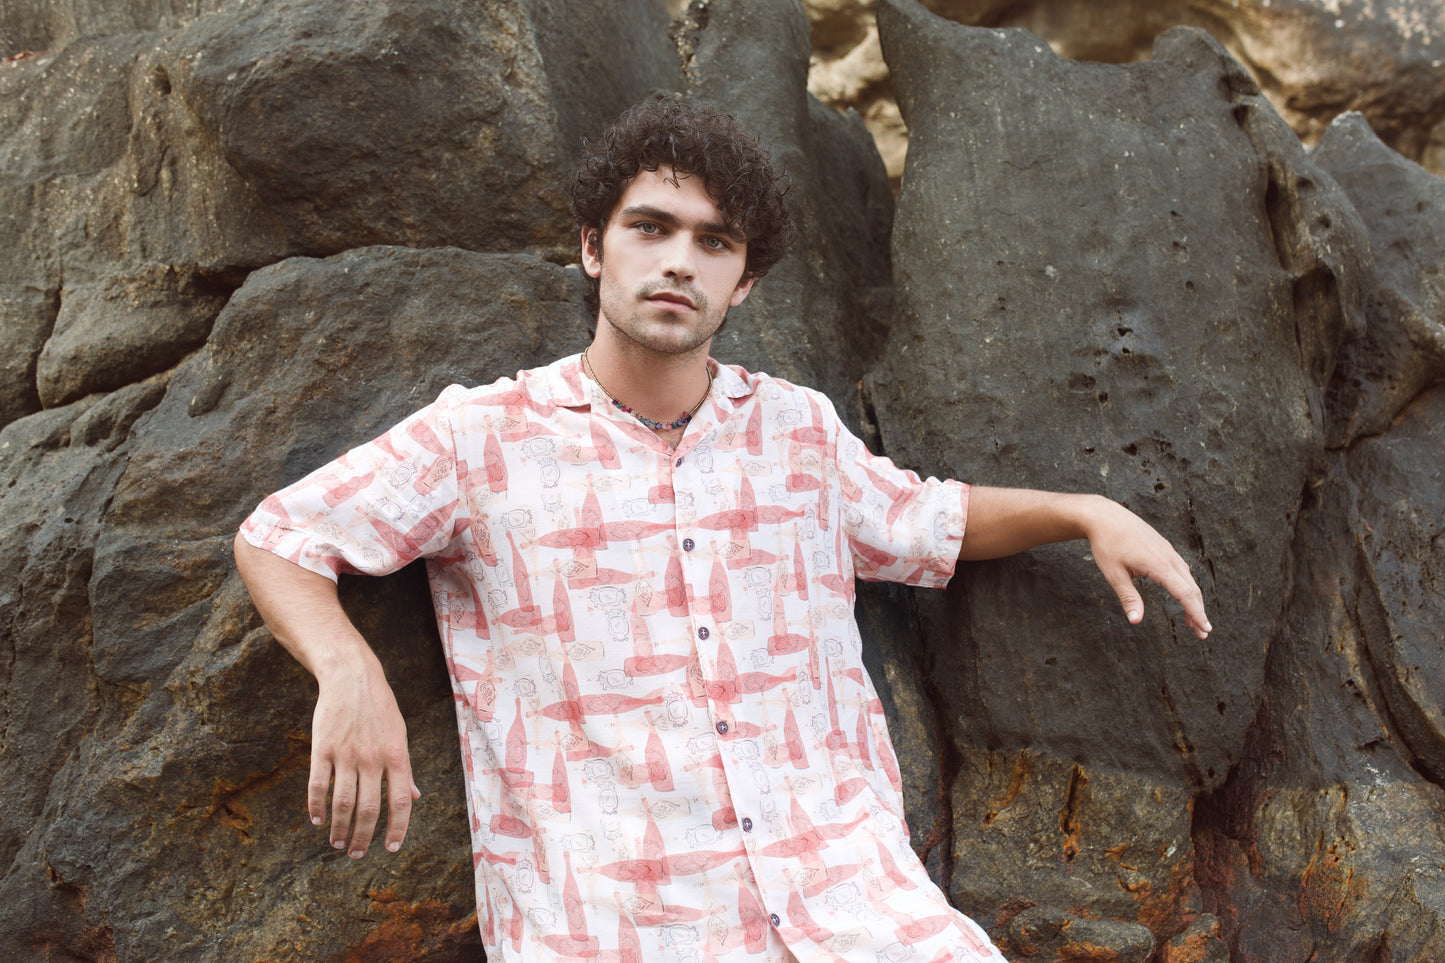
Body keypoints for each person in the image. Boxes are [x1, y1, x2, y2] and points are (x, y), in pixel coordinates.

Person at [235, 99, 1211, 962]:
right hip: (617, 922)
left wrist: (1083, 509)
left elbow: (931, 520)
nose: (677, 261)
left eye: (714, 242)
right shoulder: (482, 439)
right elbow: (282, 536)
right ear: (591, 246)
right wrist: (348, 670)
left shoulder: (797, 433)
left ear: (742, 283)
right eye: (649, 227)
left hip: (851, 906)